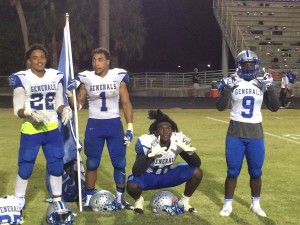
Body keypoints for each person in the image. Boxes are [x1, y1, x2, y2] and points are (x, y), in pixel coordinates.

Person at [8, 44, 73, 218]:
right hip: (31, 130)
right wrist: (29, 112)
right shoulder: (22, 78)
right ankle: (19, 199)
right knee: (26, 166)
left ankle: (57, 198)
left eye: (42, 57)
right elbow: (17, 110)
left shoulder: (55, 76)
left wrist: (64, 109)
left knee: (56, 165)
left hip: (51, 128)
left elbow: (58, 102)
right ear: (29, 61)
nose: (39, 60)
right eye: (35, 57)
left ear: (46, 59)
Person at [66, 47, 134, 211]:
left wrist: (130, 127)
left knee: (119, 163)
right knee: (92, 163)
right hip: (94, 126)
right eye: (94, 60)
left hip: (114, 125)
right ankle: (89, 199)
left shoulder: (118, 75)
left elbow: (125, 103)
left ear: (108, 61)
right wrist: (69, 94)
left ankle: (120, 199)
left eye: (100, 59)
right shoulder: (86, 78)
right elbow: (78, 106)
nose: (96, 63)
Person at [216, 50, 280, 217]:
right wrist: (228, 89)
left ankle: (256, 204)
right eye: (245, 64)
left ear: (257, 65)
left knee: (256, 172)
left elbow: (274, 107)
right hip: (235, 131)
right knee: (232, 171)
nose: (249, 67)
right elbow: (220, 106)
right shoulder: (232, 82)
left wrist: (271, 88)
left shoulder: (262, 82)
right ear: (239, 66)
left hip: (255, 132)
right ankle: (228, 204)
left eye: (252, 64)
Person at [126, 109, 203, 214]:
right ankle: (139, 202)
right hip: (148, 177)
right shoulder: (147, 142)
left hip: (167, 175)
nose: (165, 131)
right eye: (161, 129)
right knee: (131, 185)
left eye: (168, 128)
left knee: (197, 172)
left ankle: (184, 202)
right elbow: (136, 171)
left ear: (172, 130)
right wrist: (150, 155)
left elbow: (196, 164)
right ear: (155, 131)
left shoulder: (177, 141)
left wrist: (189, 153)